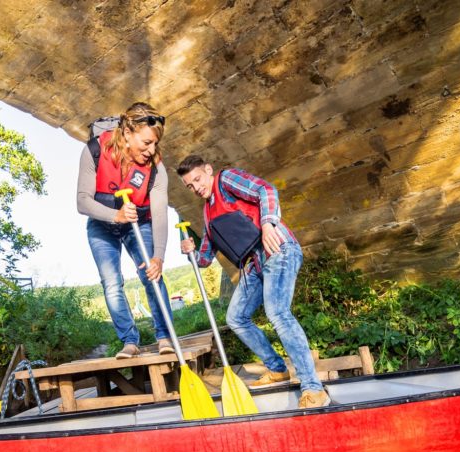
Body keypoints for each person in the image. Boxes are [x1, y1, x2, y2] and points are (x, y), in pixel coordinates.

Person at [176, 155, 330, 409]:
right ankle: (277, 368)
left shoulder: (226, 180)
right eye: (189, 186)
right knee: (235, 318)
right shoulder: (207, 213)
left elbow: (265, 190)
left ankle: (313, 388)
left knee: (277, 312)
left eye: (198, 179)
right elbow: (204, 259)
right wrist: (189, 250)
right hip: (253, 263)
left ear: (208, 170)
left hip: (277, 248)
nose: (196, 187)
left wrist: (268, 224)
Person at [76, 102, 176, 360]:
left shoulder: (155, 166)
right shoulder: (94, 150)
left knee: (151, 275)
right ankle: (130, 341)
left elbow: (161, 213)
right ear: (128, 133)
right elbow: (82, 202)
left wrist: (159, 257)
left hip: (138, 222)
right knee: (112, 283)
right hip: (102, 223)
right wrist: (115, 215)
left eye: (155, 143)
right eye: (146, 143)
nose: (151, 150)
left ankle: (165, 335)